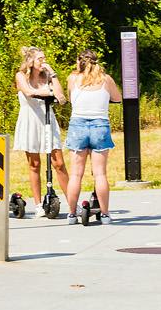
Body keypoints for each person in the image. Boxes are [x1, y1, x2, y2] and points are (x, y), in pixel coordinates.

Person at [64, 50, 121, 219]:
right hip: (100, 125)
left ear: (78, 62)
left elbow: (70, 98)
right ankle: (105, 214)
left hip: (78, 125)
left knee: (75, 174)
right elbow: (117, 99)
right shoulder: (106, 80)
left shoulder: (72, 79)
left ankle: (72, 214)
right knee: (100, 174)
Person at [12, 47, 65, 211]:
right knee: (34, 164)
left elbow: (61, 98)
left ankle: (72, 202)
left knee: (59, 163)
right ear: (31, 61)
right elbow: (28, 92)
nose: (44, 61)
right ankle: (38, 204)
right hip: (30, 120)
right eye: (40, 59)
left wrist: (53, 74)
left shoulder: (47, 76)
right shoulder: (21, 76)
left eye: (44, 58)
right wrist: (45, 91)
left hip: (48, 118)